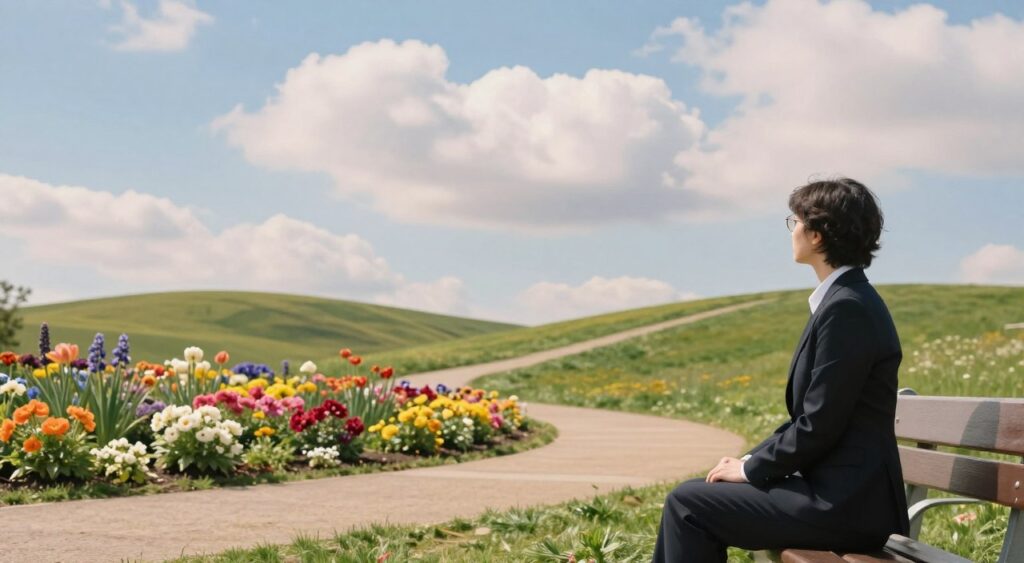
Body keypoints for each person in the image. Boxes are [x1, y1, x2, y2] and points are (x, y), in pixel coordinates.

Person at [652, 177, 909, 562]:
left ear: (818, 235)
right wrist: (747, 462)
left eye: (796, 221)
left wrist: (750, 470)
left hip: (846, 504)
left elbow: (819, 424)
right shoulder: (844, 301)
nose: (793, 231)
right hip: (838, 493)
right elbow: (809, 419)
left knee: (688, 504)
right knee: (692, 497)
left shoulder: (847, 308)